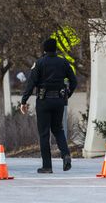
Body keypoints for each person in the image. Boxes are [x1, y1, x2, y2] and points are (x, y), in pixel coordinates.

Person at [20, 38, 77, 173]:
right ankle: (66, 155)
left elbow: (31, 83)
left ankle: (47, 166)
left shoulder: (39, 63)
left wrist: (24, 101)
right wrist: (67, 95)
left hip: (44, 101)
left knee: (44, 133)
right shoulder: (63, 62)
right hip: (59, 101)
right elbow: (74, 81)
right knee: (58, 129)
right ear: (56, 49)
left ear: (44, 49)